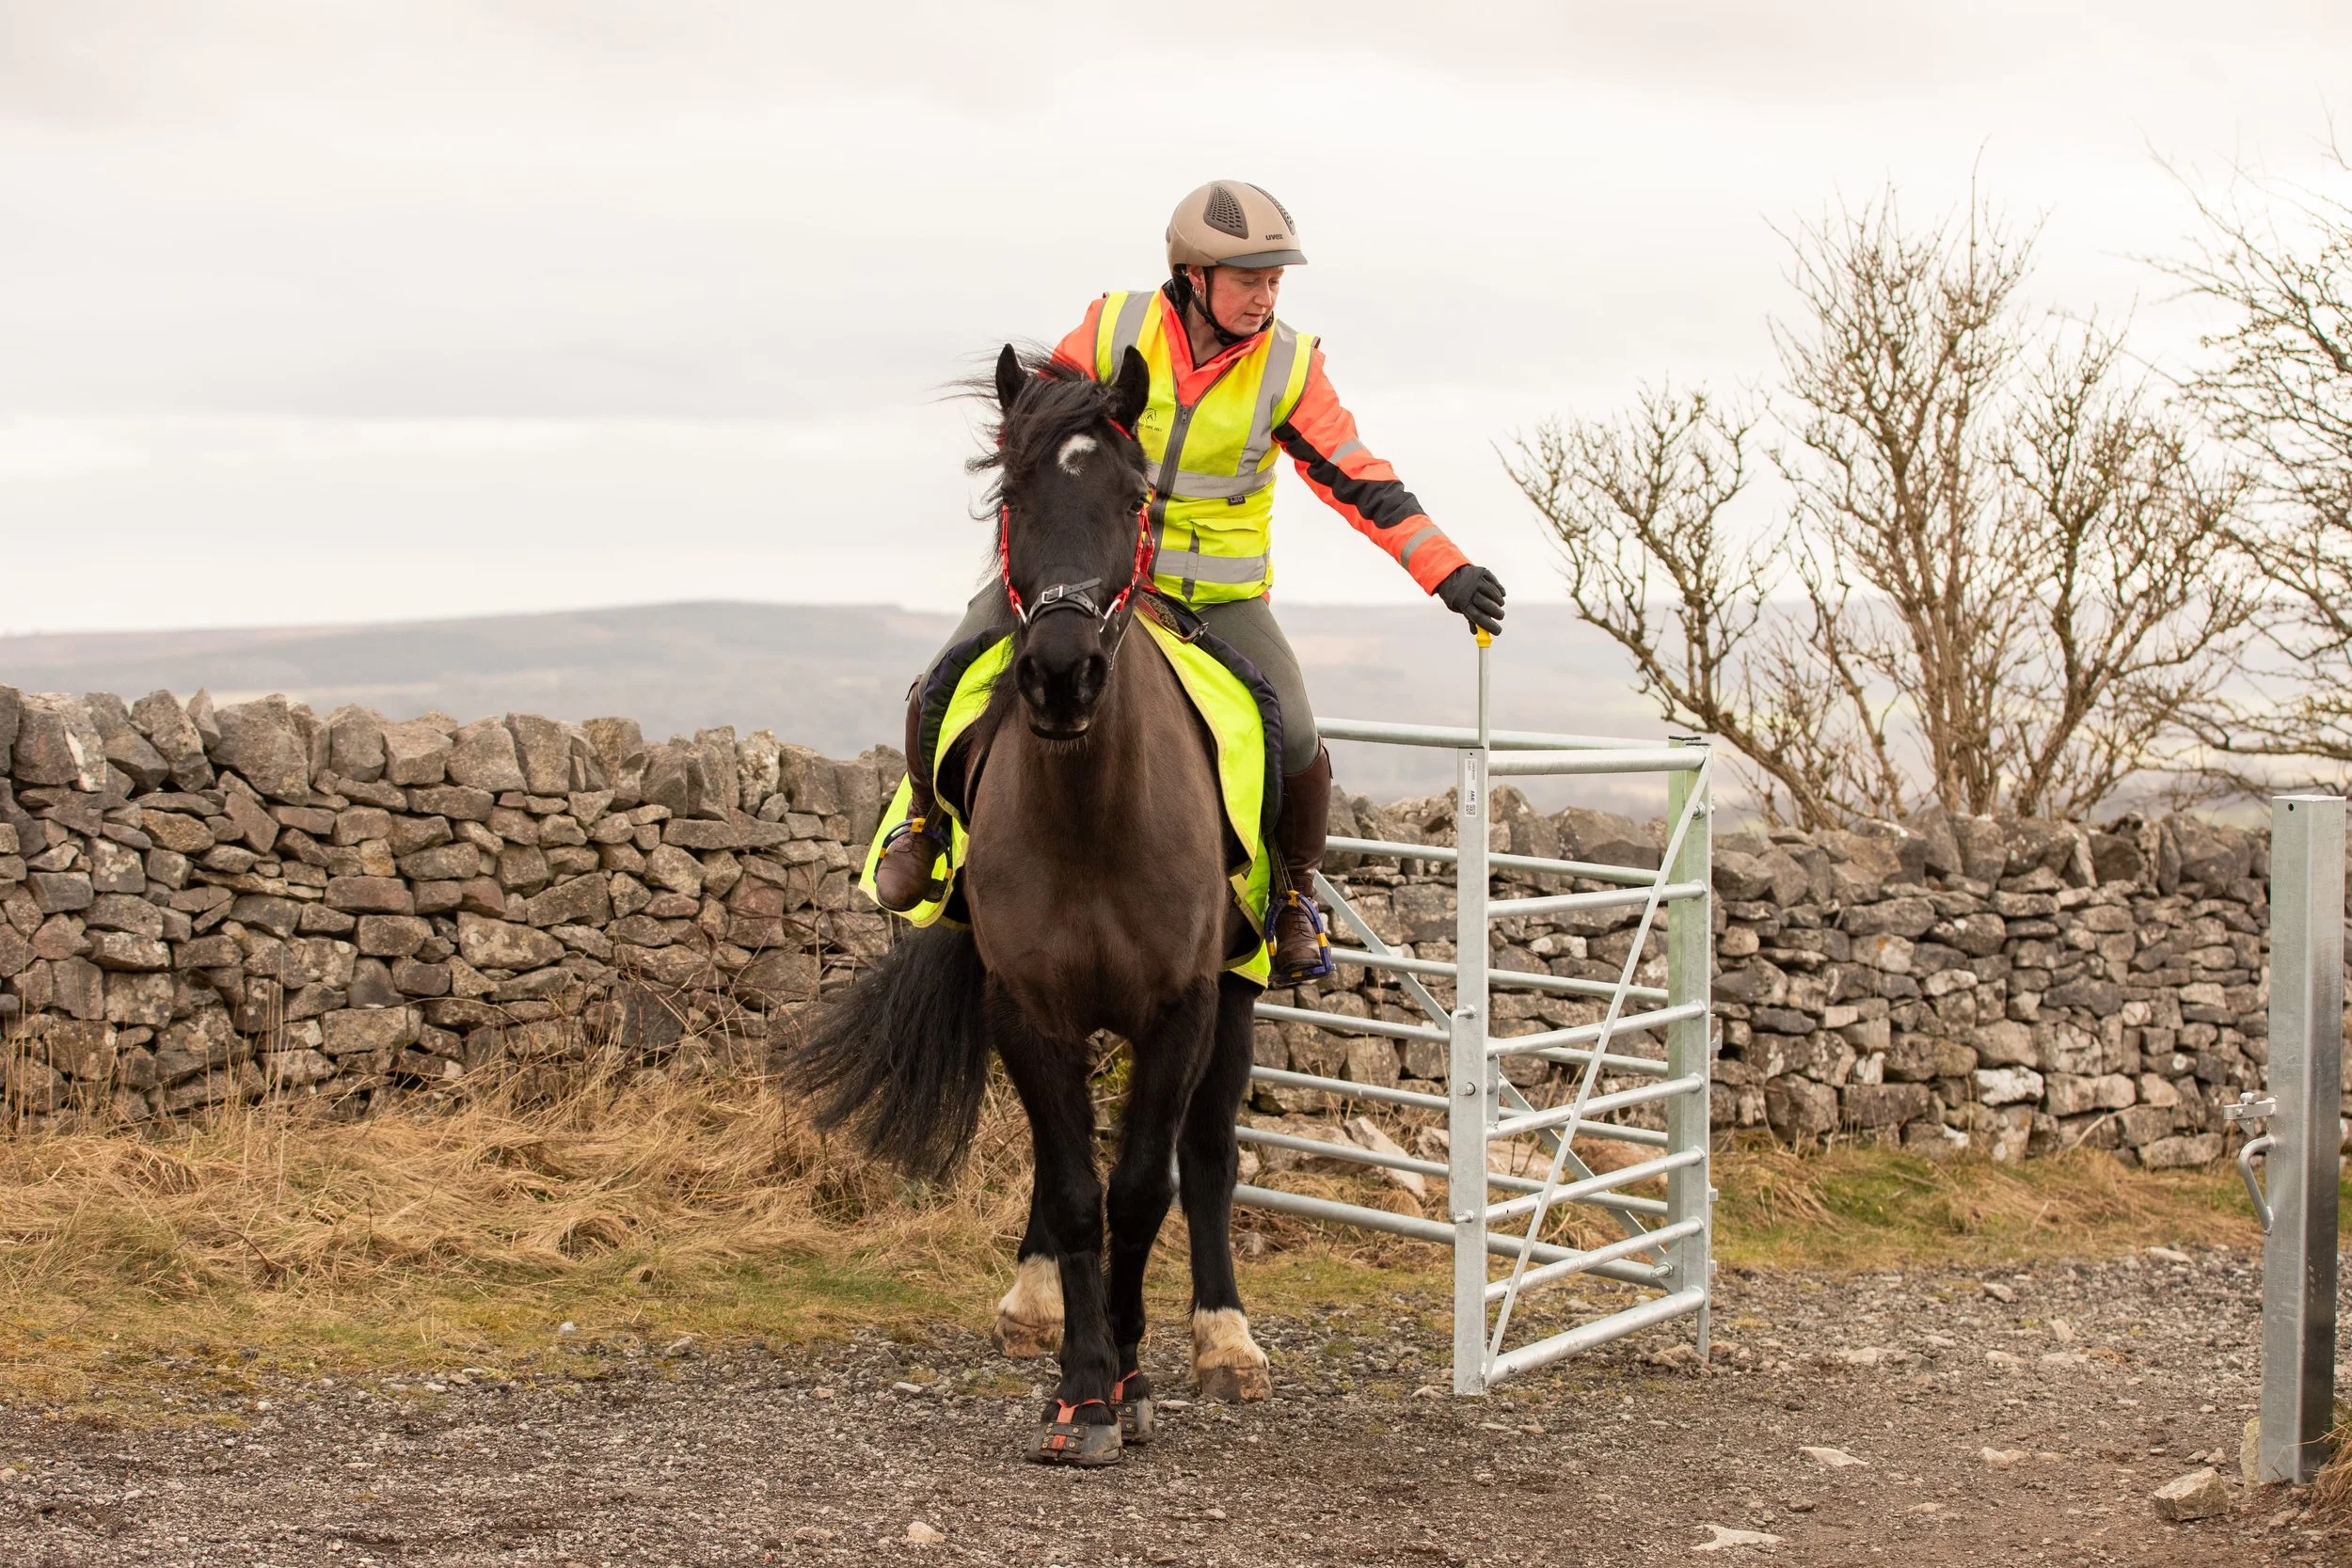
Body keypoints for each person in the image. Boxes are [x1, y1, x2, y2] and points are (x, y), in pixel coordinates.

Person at [873, 180, 1507, 981]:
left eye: (1277, 280)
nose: (1266, 297)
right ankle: (924, 827)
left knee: (1300, 737)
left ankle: (1291, 900)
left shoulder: (1289, 367)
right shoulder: (1115, 327)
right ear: (1194, 276)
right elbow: (1037, 420)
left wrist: (1445, 569)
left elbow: (1362, 480)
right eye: (1250, 279)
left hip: (1219, 597)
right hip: (1095, 577)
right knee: (948, 672)